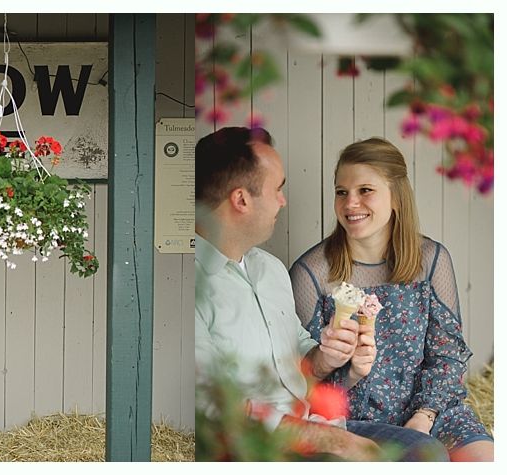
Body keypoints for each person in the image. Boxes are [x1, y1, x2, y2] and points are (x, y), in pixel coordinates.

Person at [194, 127, 447, 461]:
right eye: (278, 189)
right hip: (258, 446)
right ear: (241, 200)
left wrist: (326, 355)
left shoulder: (270, 270)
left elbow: (299, 358)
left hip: (314, 423)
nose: (284, 201)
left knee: (424, 451)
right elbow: (214, 406)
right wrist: (331, 440)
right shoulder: (191, 286)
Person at [289, 137, 494, 461]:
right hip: (355, 422)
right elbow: (304, 380)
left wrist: (423, 416)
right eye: (341, 192)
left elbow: (448, 357)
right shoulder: (312, 273)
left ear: (396, 196)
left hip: (431, 410)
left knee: (486, 460)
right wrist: (349, 371)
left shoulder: (431, 259)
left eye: (364, 190)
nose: (350, 203)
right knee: (427, 459)